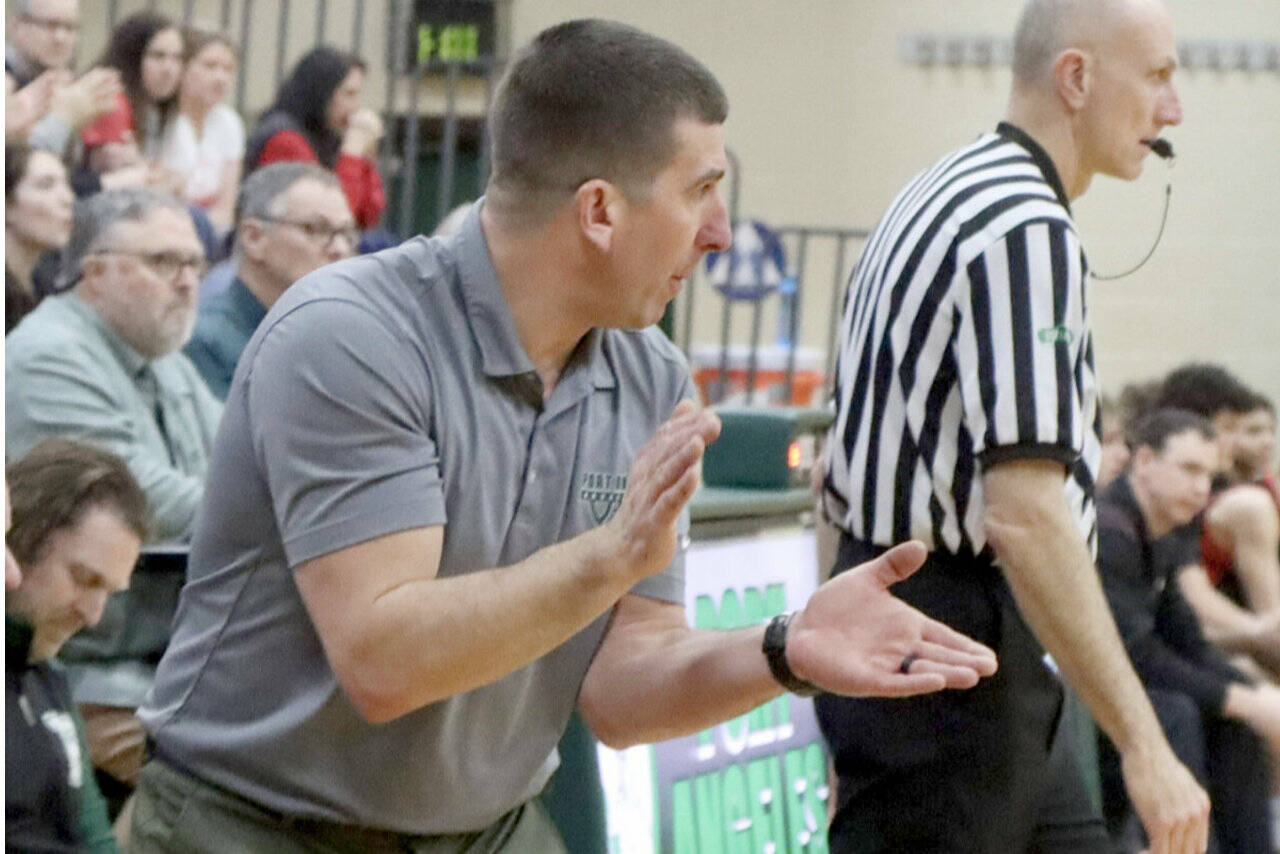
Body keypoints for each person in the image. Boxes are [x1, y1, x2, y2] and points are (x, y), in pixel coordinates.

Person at [132, 20, 997, 852]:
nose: (721, 233)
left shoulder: (650, 377)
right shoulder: (351, 336)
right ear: (599, 212)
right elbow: (386, 665)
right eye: (700, 190)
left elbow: (621, 691)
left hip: (486, 830)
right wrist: (608, 558)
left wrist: (783, 647)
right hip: (252, 825)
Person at [816, 0, 1210, 851]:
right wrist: (1146, 746)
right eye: (1157, 77)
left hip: (918, 630)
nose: (1173, 109)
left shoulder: (935, 189)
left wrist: (834, 672)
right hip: (953, 654)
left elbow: (834, 476)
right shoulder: (1025, 225)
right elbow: (1025, 515)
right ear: (1077, 78)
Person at [6, 187, 222, 802]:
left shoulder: (165, 360)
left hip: (163, 654)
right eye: (164, 262)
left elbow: (245, 463)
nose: (187, 282)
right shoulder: (48, 356)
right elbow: (149, 507)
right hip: (82, 659)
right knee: (227, 776)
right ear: (95, 272)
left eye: (194, 264)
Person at [1096, 409, 1278, 853]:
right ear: (1144, 461)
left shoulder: (1169, 527)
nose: (1201, 488)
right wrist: (1241, 699)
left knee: (1238, 710)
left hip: (1131, 677)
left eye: (1208, 476)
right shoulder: (1109, 529)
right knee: (1179, 711)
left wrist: (1251, 695)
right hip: (1084, 692)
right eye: (1189, 469)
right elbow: (1135, 654)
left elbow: (1187, 641)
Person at [6, 439, 150, 854]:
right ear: (20, 539)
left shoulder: (47, 675)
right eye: (84, 580)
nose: (93, 615)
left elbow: (96, 837)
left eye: (109, 593)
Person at [184, 162, 356, 398]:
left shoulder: (336, 340)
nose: (340, 248)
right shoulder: (205, 341)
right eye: (315, 229)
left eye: (346, 233)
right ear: (254, 238)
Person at [1155, 366, 1280, 675]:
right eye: (1228, 428)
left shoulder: (1204, 494)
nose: (1235, 442)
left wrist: (1257, 632)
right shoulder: (1242, 504)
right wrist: (1258, 633)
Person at [243, 46, 385, 231]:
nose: (355, 106)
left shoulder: (327, 134)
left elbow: (369, 215)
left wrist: (366, 157)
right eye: (349, 94)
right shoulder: (285, 139)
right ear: (322, 93)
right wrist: (352, 151)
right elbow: (331, 219)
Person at [5, 0, 121, 156]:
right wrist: (63, 119)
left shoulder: (72, 85)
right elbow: (20, 165)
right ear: (16, 27)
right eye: (49, 25)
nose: (60, 38)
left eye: (70, 27)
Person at [161, 29, 243, 230]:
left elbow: (227, 206)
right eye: (210, 66)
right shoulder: (165, 121)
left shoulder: (229, 122)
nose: (221, 78)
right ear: (182, 68)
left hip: (212, 230)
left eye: (228, 69)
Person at [86, 12, 184, 160]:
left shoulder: (157, 109)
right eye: (158, 56)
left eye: (177, 58)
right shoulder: (111, 102)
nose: (169, 69)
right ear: (132, 58)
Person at [5, 143, 74, 332]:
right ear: (7, 206)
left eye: (67, 184)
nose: (68, 198)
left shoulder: (46, 285)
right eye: (46, 186)